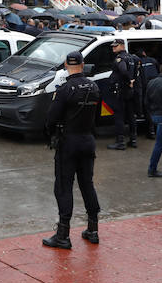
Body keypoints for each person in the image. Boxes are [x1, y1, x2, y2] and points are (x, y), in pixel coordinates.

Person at [41, 50, 102, 249]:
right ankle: (93, 229)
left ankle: (63, 234)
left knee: (63, 187)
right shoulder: (94, 86)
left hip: (69, 142)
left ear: (67, 66)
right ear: (83, 65)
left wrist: (51, 134)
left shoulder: (66, 89)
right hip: (87, 140)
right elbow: (98, 117)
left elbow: (51, 118)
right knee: (87, 184)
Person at [105, 40, 136, 150]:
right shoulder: (131, 58)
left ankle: (120, 142)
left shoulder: (120, 58)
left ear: (122, 46)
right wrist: (131, 81)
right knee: (130, 115)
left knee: (119, 116)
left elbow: (123, 71)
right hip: (129, 91)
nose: (113, 48)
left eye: (115, 46)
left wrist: (128, 81)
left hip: (121, 91)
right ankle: (133, 140)